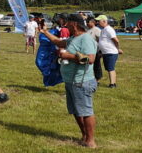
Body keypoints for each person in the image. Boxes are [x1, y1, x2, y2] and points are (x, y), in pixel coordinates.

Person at [38, 14, 98, 148]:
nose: (65, 24)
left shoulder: (85, 39)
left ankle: (91, 141)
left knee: (86, 111)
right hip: (71, 81)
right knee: (76, 110)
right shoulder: (73, 38)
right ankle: (84, 136)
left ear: (74, 24)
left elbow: (90, 59)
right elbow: (58, 42)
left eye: (68, 22)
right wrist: (45, 32)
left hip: (82, 82)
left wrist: (68, 56)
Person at [97, 15, 122, 88]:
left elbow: (116, 40)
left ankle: (113, 84)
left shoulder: (109, 29)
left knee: (111, 68)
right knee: (108, 68)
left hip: (111, 52)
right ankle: (112, 83)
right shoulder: (103, 30)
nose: (98, 22)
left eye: (99, 21)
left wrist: (117, 49)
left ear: (104, 21)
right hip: (106, 52)